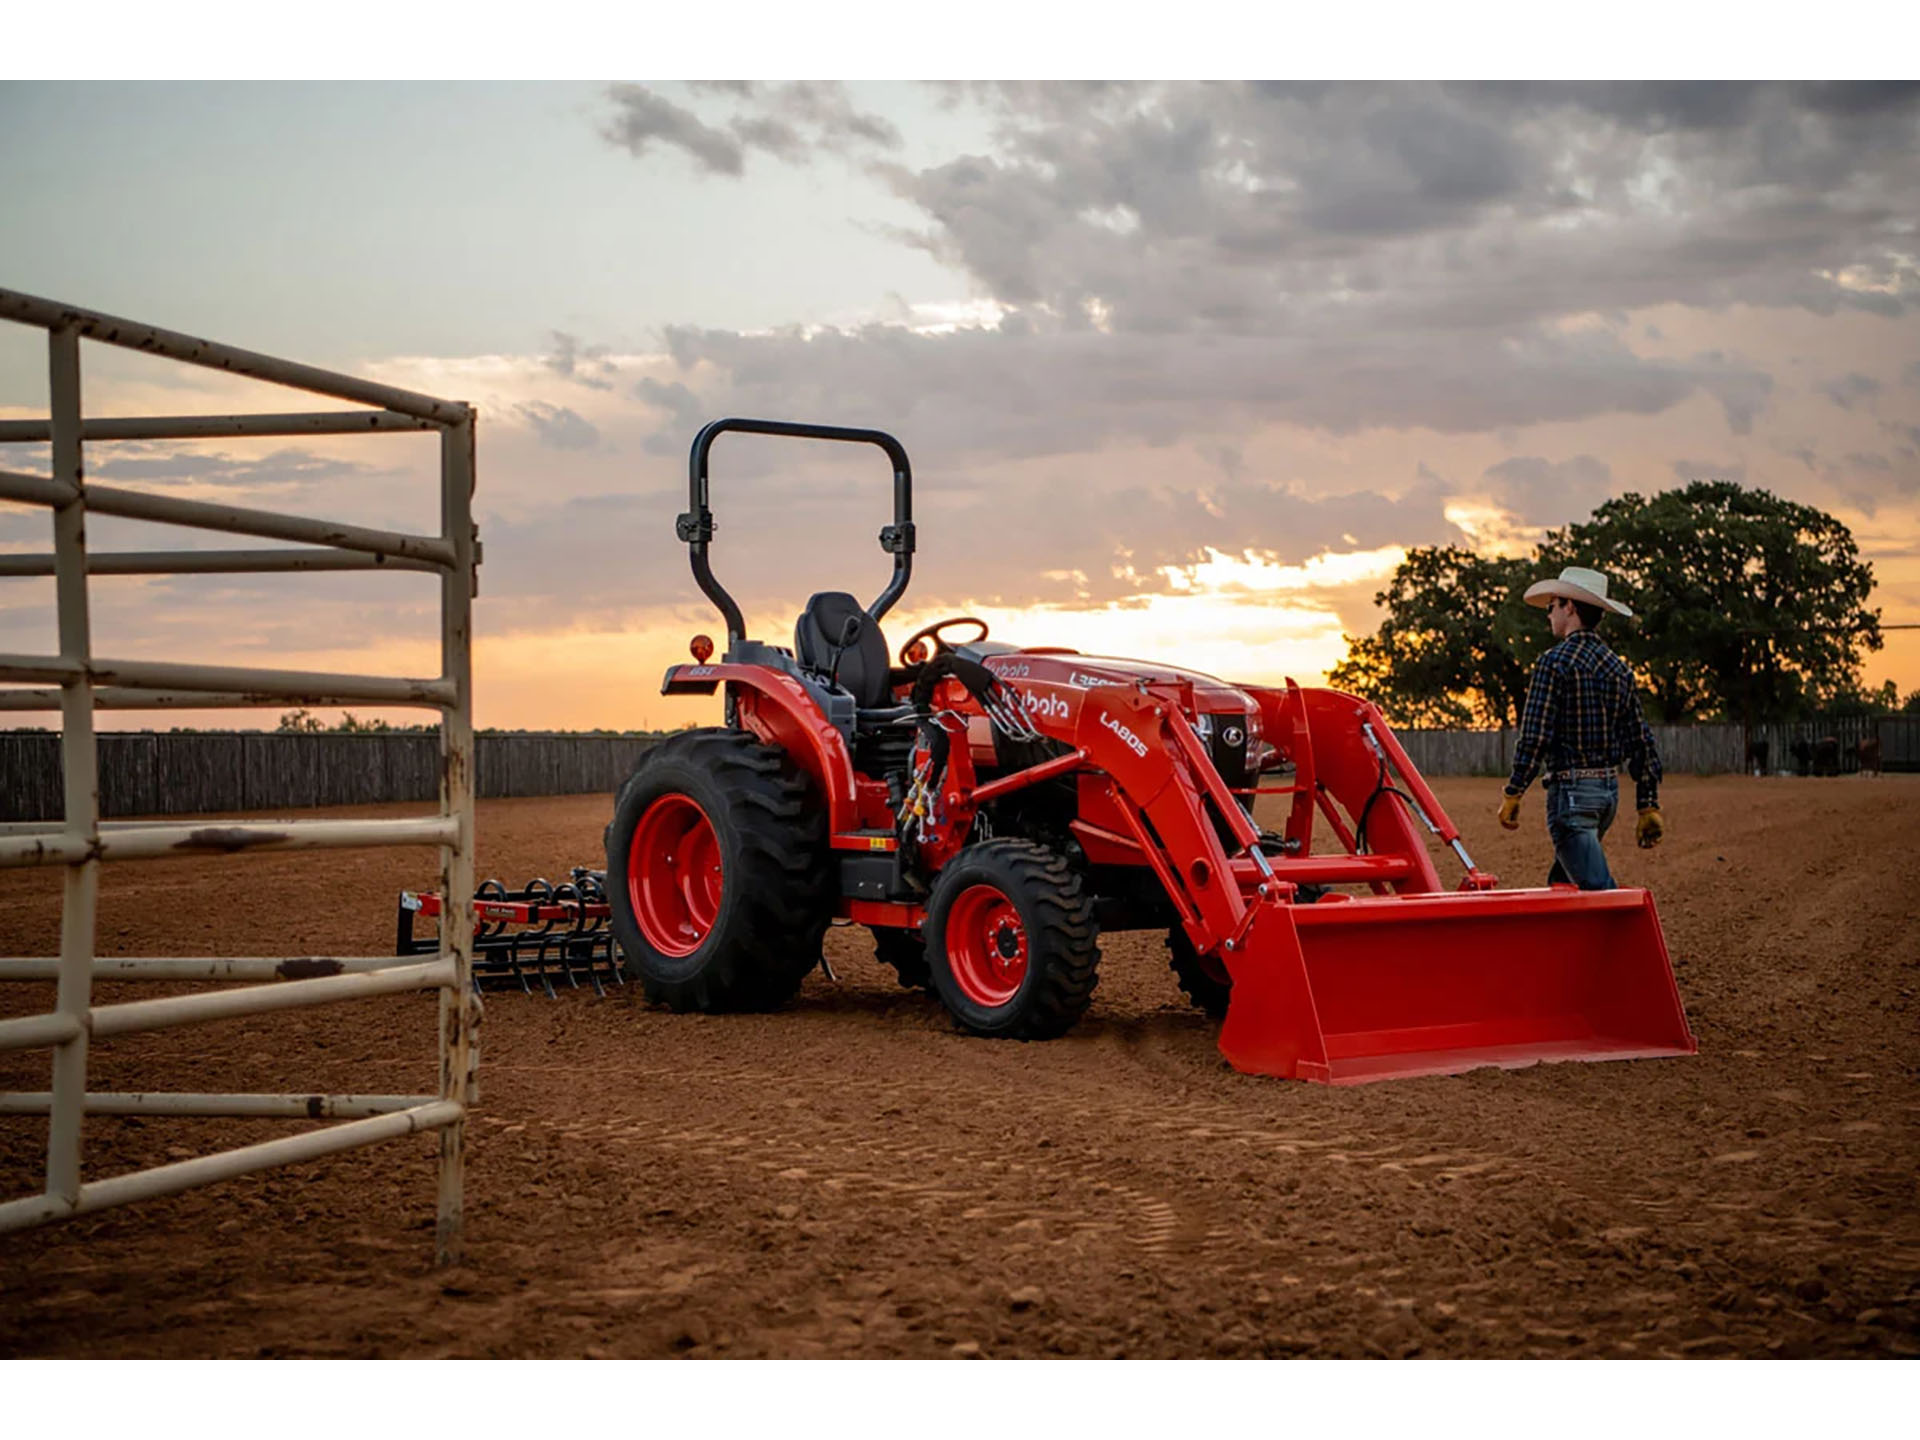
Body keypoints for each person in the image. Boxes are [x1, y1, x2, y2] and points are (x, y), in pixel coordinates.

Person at [1496, 565, 1664, 889]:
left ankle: (1626, 937)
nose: (1548, 615)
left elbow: (1535, 737)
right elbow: (1640, 741)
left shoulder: (1553, 663)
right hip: (1606, 796)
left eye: (1552, 606)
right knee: (1564, 883)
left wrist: (1514, 791)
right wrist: (1647, 803)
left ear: (1569, 607)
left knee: (1598, 890)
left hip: (1571, 796)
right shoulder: (1618, 669)